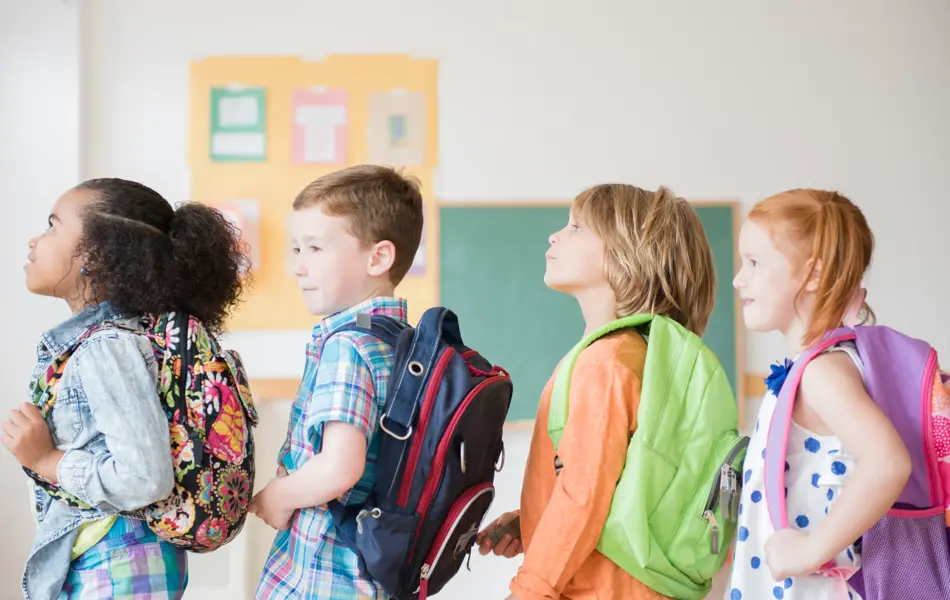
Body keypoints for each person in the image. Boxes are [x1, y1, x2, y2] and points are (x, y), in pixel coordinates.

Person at [3, 178, 246, 599]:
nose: (34, 240)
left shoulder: (106, 347)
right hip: (120, 560)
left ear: (96, 254)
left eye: (52, 225)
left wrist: (46, 460)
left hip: (117, 567)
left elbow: (144, 478)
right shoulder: (113, 340)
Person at [477, 183, 718, 600]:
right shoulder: (640, 352)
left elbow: (584, 496)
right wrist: (532, 520)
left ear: (625, 255)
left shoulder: (604, 363)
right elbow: (617, 487)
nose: (555, 236)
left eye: (576, 227)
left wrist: (530, 591)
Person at [726, 189, 912, 599]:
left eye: (754, 262)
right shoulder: (813, 367)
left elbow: (888, 463)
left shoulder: (822, 373)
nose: (739, 278)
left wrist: (809, 550)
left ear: (812, 274)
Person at [252, 165, 424, 600]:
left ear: (377, 258)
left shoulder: (348, 346)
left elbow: (339, 468)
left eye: (315, 248)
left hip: (324, 575)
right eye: (297, 248)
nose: (298, 267)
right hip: (371, 572)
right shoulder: (402, 342)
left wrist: (276, 496)